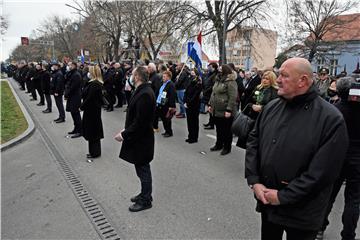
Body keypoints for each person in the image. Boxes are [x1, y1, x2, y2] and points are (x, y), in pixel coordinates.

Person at [245, 58, 349, 240]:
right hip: (268, 202)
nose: (277, 80)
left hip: (303, 212)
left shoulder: (330, 119)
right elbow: (254, 142)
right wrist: (255, 181)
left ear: (303, 81)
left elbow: (323, 172)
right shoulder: (272, 107)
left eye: (284, 76)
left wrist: (284, 196)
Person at [317, 76, 360, 240]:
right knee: (354, 199)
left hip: (337, 157)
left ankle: (319, 228)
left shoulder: (335, 109)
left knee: (329, 194)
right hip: (357, 158)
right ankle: (348, 234)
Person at [115, 66, 156, 212]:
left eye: (132, 75)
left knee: (143, 169)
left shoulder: (145, 93)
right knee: (141, 169)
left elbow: (140, 122)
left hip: (142, 140)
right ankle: (145, 194)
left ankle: (146, 200)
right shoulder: (142, 90)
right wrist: (126, 130)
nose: (131, 77)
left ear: (137, 77)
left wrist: (124, 134)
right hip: (139, 138)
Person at [208, 64, 238, 155]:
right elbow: (213, 93)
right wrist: (210, 104)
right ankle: (219, 144)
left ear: (225, 70)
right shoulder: (218, 80)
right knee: (219, 129)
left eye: (221, 69)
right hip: (216, 109)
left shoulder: (231, 82)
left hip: (226, 110)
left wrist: (229, 110)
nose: (219, 70)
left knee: (226, 131)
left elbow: (233, 97)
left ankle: (227, 147)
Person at [80, 65, 104, 159]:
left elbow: (89, 98)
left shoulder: (95, 84)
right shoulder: (93, 83)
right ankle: (93, 151)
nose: (88, 73)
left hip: (92, 111)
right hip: (92, 110)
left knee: (93, 131)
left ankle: (95, 152)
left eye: (89, 71)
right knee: (92, 131)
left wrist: (82, 107)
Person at [184, 68, 202, 144]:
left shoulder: (198, 82)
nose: (192, 73)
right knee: (189, 121)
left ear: (196, 74)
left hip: (194, 105)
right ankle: (190, 136)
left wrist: (189, 102)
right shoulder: (190, 80)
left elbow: (195, 95)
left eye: (193, 72)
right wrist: (185, 101)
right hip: (188, 103)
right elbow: (186, 91)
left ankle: (194, 137)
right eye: (191, 72)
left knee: (194, 121)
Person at [65, 62, 83, 138]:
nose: (68, 66)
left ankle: (80, 131)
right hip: (72, 97)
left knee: (76, 114)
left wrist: (67, 94)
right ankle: (76, 129)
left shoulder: (76, 75)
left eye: (70, 65)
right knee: (73, 114)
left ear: (74, 66)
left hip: (75, 97)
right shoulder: (72, 73)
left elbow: (73, 87)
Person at [157, 70, 176, 137]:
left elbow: (172, 96)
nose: (163, 78)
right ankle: (166, 131)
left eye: (164, 77)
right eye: (163, 76)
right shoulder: (164, 84)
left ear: (168, 77)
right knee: (163, 118)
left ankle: (169, 132)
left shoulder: (171, 85)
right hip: (162, 103)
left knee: (167, 119)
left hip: (167, 105)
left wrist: (171, 106)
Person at [202, 63, 219, 130]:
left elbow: (213, 85)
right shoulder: (210, 74)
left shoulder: (215, 75)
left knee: (211, 110)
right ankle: (210, 122)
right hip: (207, 94)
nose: (208, 68)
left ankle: (212, 124)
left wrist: (207, 90)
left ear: (214, 67)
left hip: (210, 94)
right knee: (209, 110)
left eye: (210, 67)